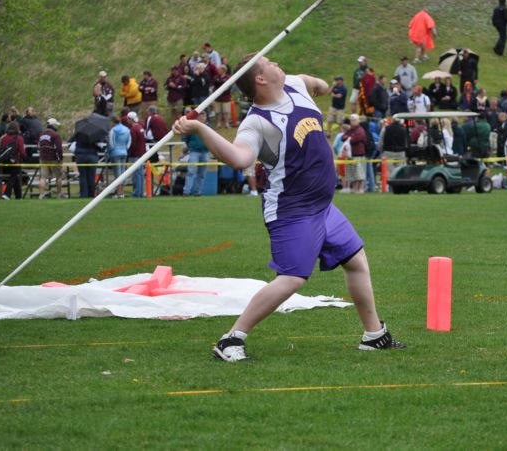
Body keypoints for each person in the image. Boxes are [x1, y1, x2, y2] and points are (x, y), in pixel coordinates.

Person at [172, 54, 405, 361]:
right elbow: (240, 159)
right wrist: (200, 129)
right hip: (291, 210)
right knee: (293, 277)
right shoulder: (257, 122)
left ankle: (374, 334)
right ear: (259, 78)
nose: (277, 63)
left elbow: (313, 82)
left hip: (322, 205)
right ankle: (230, 340)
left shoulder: (295, 84)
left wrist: (320, 84)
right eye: (269, 62)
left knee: (356, 260)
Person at [0, 120, 26, 200]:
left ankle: (18, 196)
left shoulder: (4, 138)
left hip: (4, 164)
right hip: (15, 163)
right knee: (15, 174)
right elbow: (22, 152)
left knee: (15, 176)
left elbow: (0, 149)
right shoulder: (19, 138)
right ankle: (7, 194)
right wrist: (25, 158)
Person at [38, 118, 65, 199]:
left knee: (43, 177)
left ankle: (41, 194)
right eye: (56, 125)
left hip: (43, 158)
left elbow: (39, 146)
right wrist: (60, 158)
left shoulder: (41, 134)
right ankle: (59, 194)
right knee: (58, 176)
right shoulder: (55, 135)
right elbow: (59, 148)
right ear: (53, 125)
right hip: (54, 158)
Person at [342, 113, 367, 193]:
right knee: (352, 174)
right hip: (350, 155)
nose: (353, 122)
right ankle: (354, 189)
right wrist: (348, 138)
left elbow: (355, 139)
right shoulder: (350, 130)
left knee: (359, 174)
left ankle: (360, 189)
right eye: (352, 120)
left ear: (358, 121)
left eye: (354, 120)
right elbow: (343, 137)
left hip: (358, 154)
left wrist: (349, 138)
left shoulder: (360, 130)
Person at [107, 115, 131, 198]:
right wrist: (126, 148)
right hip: (124, 151)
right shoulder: (127, 129)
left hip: (115, 152)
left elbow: (111, 142)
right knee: (123, 172)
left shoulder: (113, 130)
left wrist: (111, 150)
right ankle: (122, 191)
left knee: (117, 173)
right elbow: (129, 141)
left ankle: (118, 192)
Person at [126, 111, 147, 198]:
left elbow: (132, 144)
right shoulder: (140, 127)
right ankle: (141, 192)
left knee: (136, 175)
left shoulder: (133, 129)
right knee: (140, 174)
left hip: (135, 155)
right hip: (142, 153)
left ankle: (137, 193)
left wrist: (129, 153)